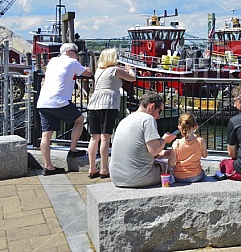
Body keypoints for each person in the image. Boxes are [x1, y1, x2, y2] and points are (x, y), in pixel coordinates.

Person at [37, 43, 93, 176]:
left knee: (46, 134)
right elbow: (89, 74)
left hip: (43, 101)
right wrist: (87, 68)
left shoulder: (52, 61)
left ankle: (48, 166)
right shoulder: (72, 62)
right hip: (59, 101)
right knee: (80, 119)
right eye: (75, 52)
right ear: (68, 52)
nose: (77, 55)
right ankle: (73, 149)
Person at [86, 48, 136, 179]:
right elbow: (132, 78)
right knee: (105, 137)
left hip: (93, 104)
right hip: (108, 104)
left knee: (94, 138)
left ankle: (91, 168)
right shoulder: (115, 70)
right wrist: (129, 68)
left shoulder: (98, 71)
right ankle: (103, 168)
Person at [109, 91, 177, 188]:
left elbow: (140, 150)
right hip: (139, 178)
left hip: (117, 178)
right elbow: (153, 151)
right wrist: (165, 140)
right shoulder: (148, 119)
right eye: (160, 111)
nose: (158, 117)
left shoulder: (125, 119)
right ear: (152, 106)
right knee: (177, 170)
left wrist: (166, 152)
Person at [168, 113, 208, 183]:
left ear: (179, 127)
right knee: (202, 171)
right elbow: (205, 155)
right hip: (197, 176)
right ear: (196, 126)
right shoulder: (200, 141)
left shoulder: (177, 143)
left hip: (179, 177)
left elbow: (171, 163)